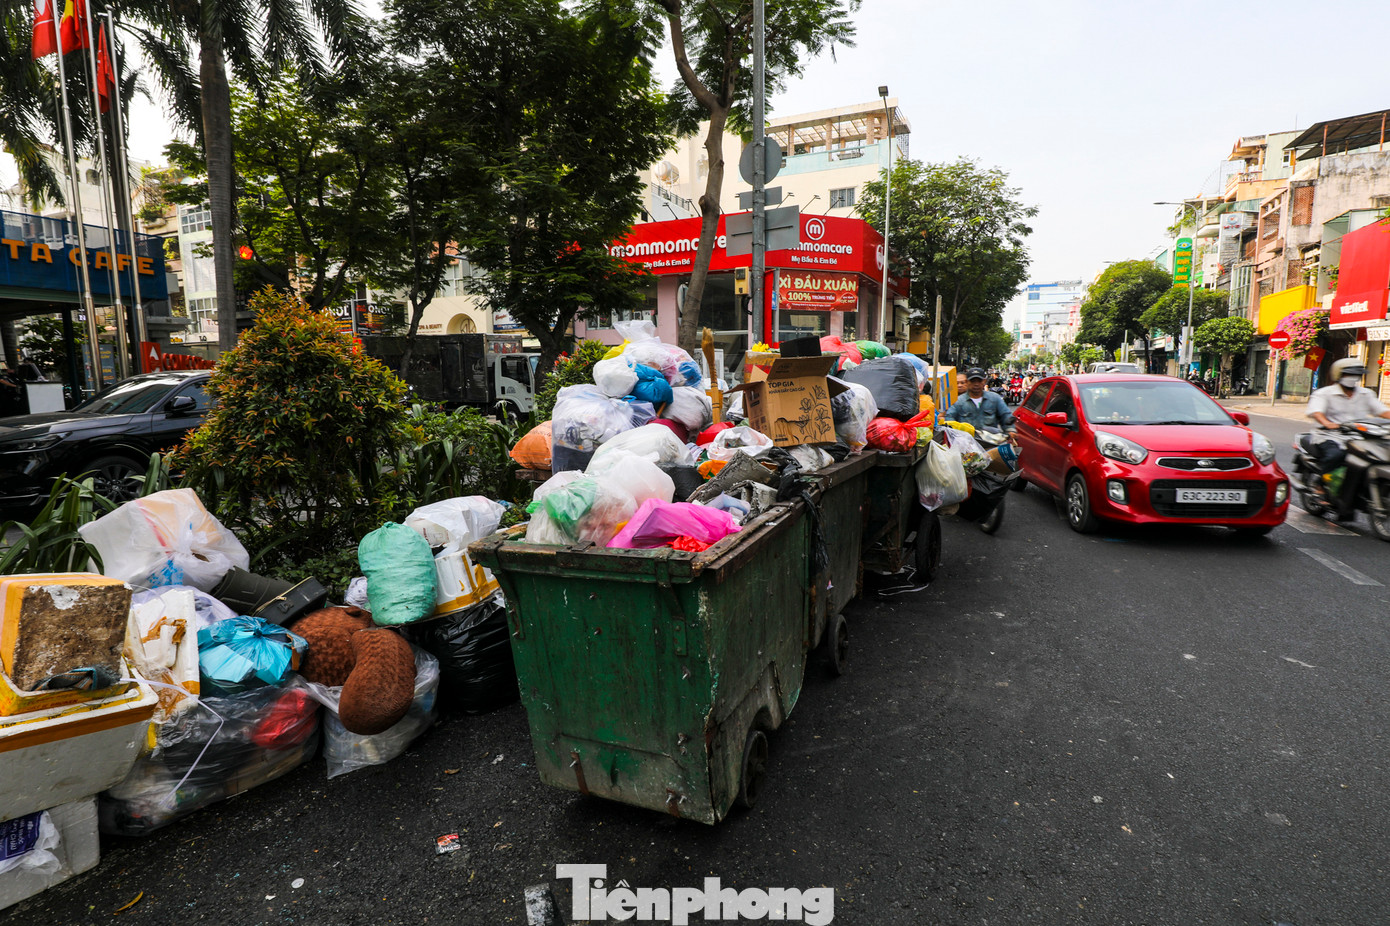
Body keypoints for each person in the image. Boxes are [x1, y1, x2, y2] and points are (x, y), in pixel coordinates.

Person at [1303, 358, 1390, 471]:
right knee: (1336, 455)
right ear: (1338, 374)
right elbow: (1316, 412)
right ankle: (1319, 483)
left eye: (1356, 375)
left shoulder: (1366, 393)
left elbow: (1382, 411)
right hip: (1330, 436)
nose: (1352, 377)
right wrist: (1327, 423)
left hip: (1359, 436)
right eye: (1348, 374)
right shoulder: (1324, 394)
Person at [944, 367, 1015, 434]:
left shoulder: (994, 398)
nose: (976, 384)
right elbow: (949, 419)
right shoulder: (959, 401)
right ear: (967, 382)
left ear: (984, 381)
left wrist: (1010, 430)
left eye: (979, 381)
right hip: (966, 442)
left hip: (991, 442)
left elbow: (1006, 416)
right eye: (973, 381)